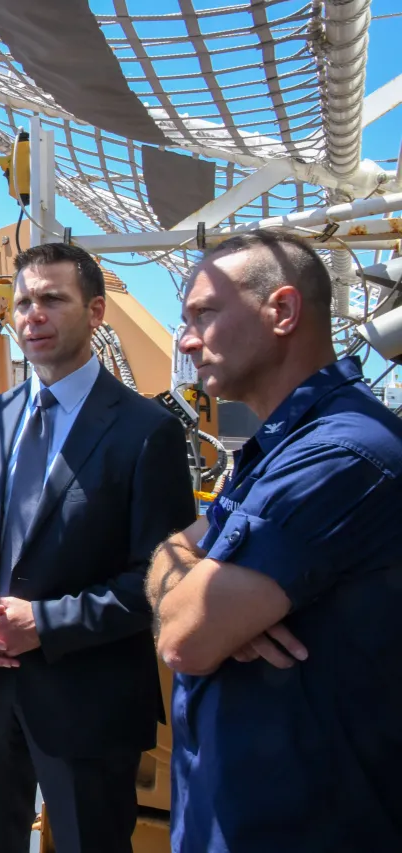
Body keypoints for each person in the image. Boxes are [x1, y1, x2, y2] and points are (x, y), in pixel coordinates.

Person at [147, 229, 402, 851]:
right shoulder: (282, 447)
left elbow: (184, 635)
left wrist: (204, 596)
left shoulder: (341, 453)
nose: (186, 339)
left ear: (282, 311)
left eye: (204, 313)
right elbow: (169, 558)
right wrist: (199, 583)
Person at [0, 242, 196, 853]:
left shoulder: (146, 432)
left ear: (97, 311)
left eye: (53, 299)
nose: (33, 315)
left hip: (89, 702)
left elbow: (163, 579)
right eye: (23, 302)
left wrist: (45, 623)